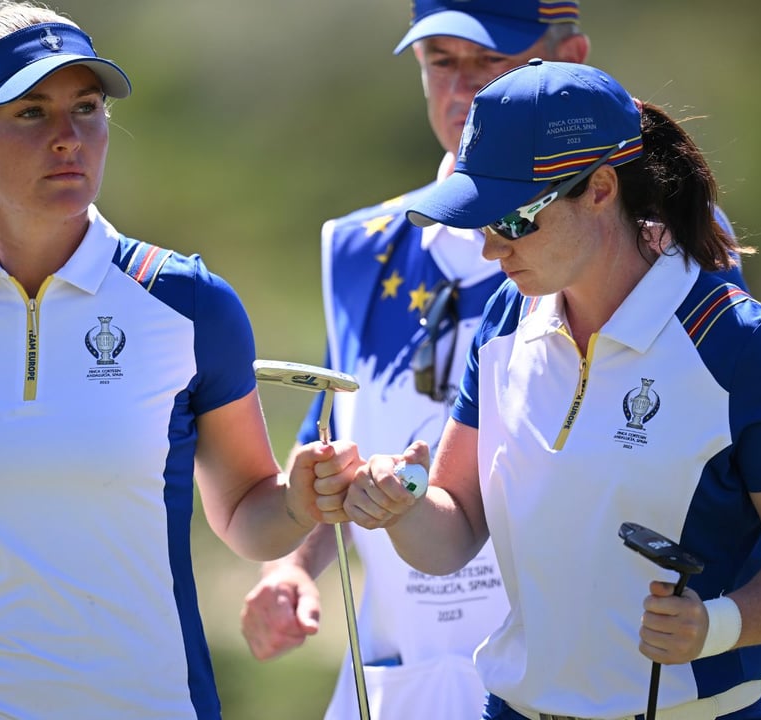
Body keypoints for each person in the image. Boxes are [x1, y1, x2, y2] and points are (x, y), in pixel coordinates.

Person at [0, 3, 357, 718]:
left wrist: (300, 504)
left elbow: (248, 511)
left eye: (86, 108)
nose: (69, 138)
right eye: (31, 112)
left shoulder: (188, 303)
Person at [340, 60, 761, 720]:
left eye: (512, 221)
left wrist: (716, 625)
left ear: (601, 188)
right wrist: (400, 507)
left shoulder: (744, 347)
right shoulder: (503, 323)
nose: (490, 251)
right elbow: (453, 532)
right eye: (477, 224)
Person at [239, 3, 592, 719]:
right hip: (404, 686)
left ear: (573, 59)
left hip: (572, 681)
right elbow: (333, 438)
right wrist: (291, 568)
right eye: (440, 61)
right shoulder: (357, 246)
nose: (461, 89)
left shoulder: (634, 239)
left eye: (490, 61)